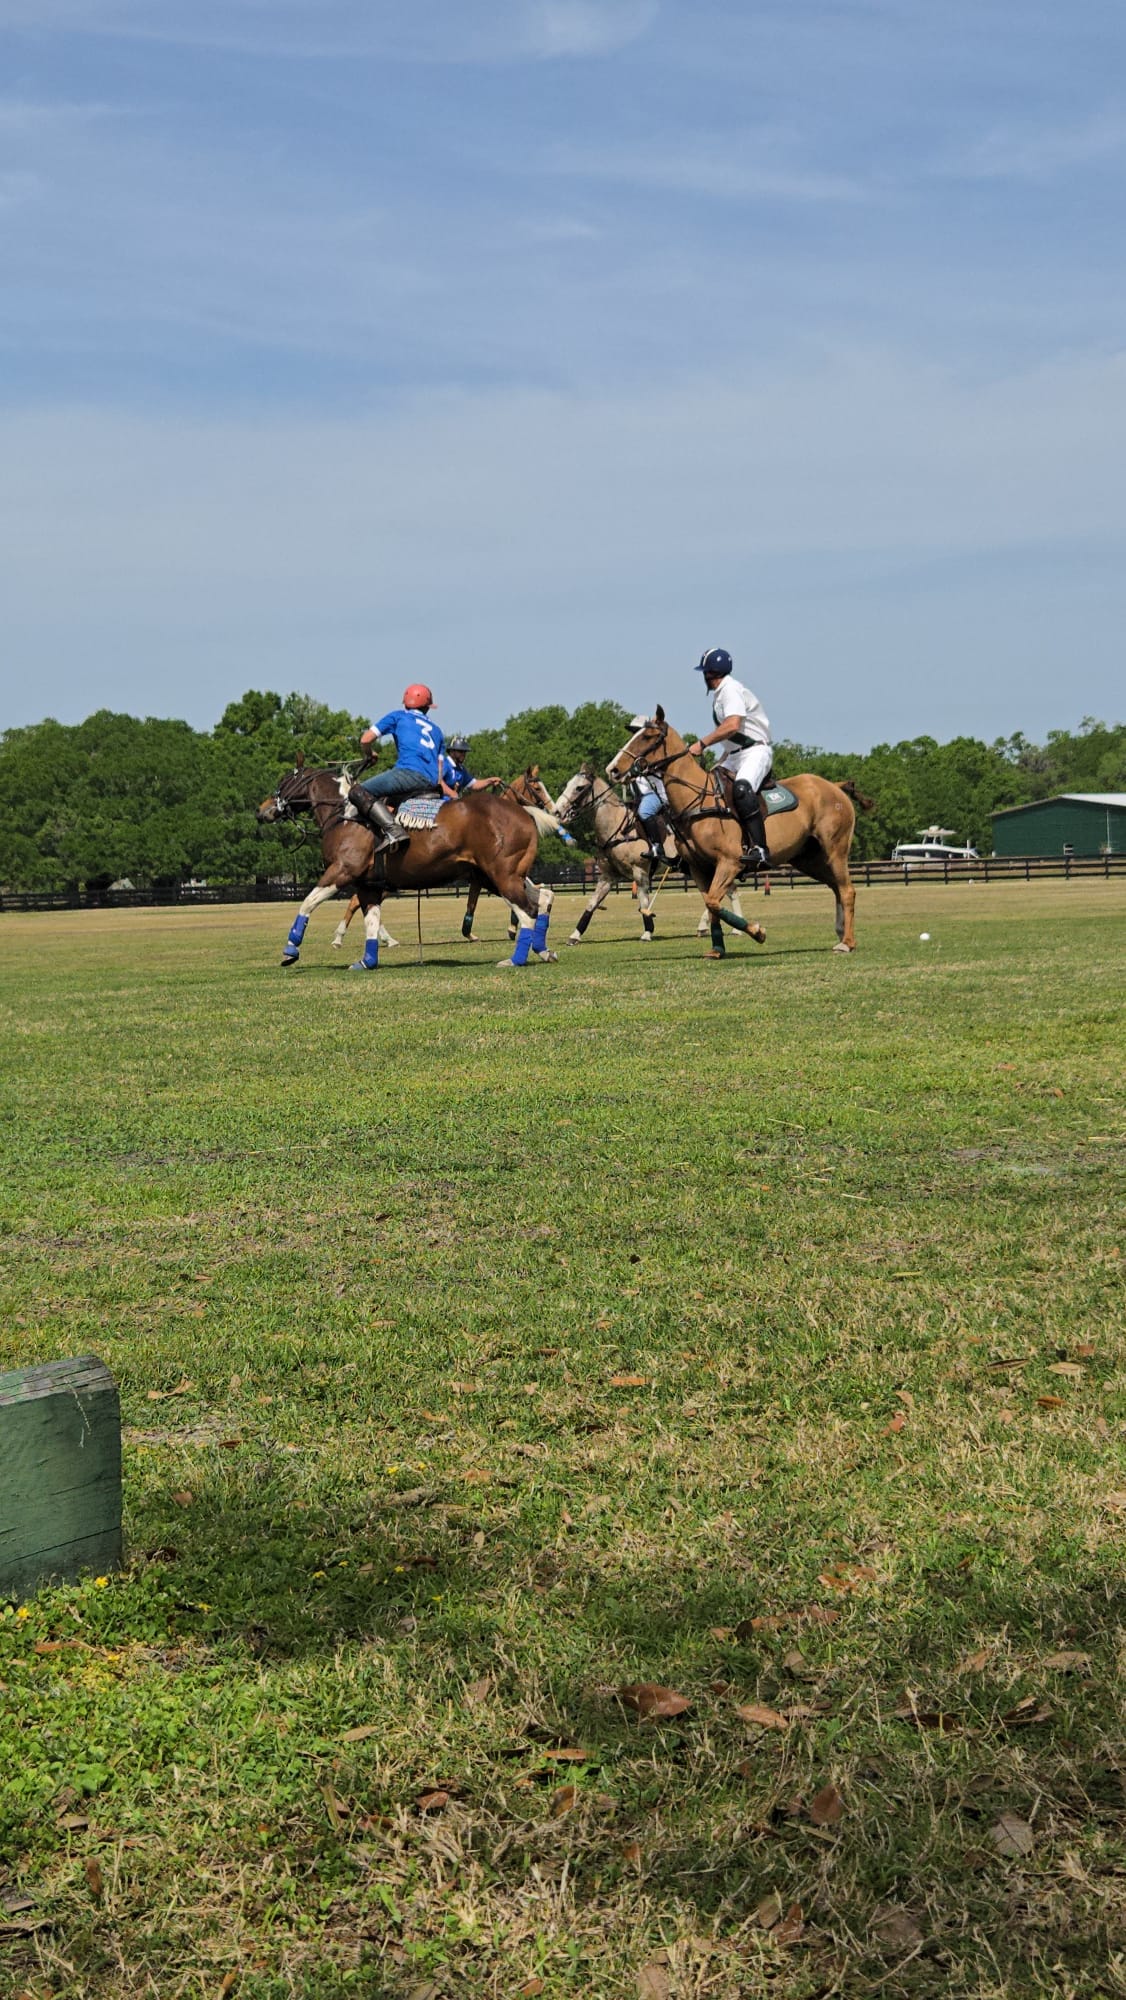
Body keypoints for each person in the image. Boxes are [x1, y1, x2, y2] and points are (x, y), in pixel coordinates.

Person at [685, 646, 772, 867]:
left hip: (755, 752)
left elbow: (732, 725)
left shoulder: (730, 690)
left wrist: (702, 744)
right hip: (735, 754)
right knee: (709, 786)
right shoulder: (720, 694)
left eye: (705, 672)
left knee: (742, 789)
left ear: (710, 673)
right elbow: (734, 736)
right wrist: (722, 760)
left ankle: (761, 849)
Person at [348, 685, 445, 852]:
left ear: (405, 704)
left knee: (357, 792)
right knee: (389, 801)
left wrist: (370, 754)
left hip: (408, 774)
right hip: (432, 783)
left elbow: (365, 739)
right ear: (427, 707)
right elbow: (440, 769)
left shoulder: (398, 716)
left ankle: (394, 831)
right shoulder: (437, 731)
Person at [439, 734, 502, 800]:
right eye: (461, 751)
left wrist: (490, 781)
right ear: (451, 751)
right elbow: (438, 782)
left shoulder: (461, 769)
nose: (463, 754)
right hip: (438, 802)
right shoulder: (444, 764)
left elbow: (474, 785)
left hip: (453, 803)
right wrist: (451, 793)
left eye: (465, 752)